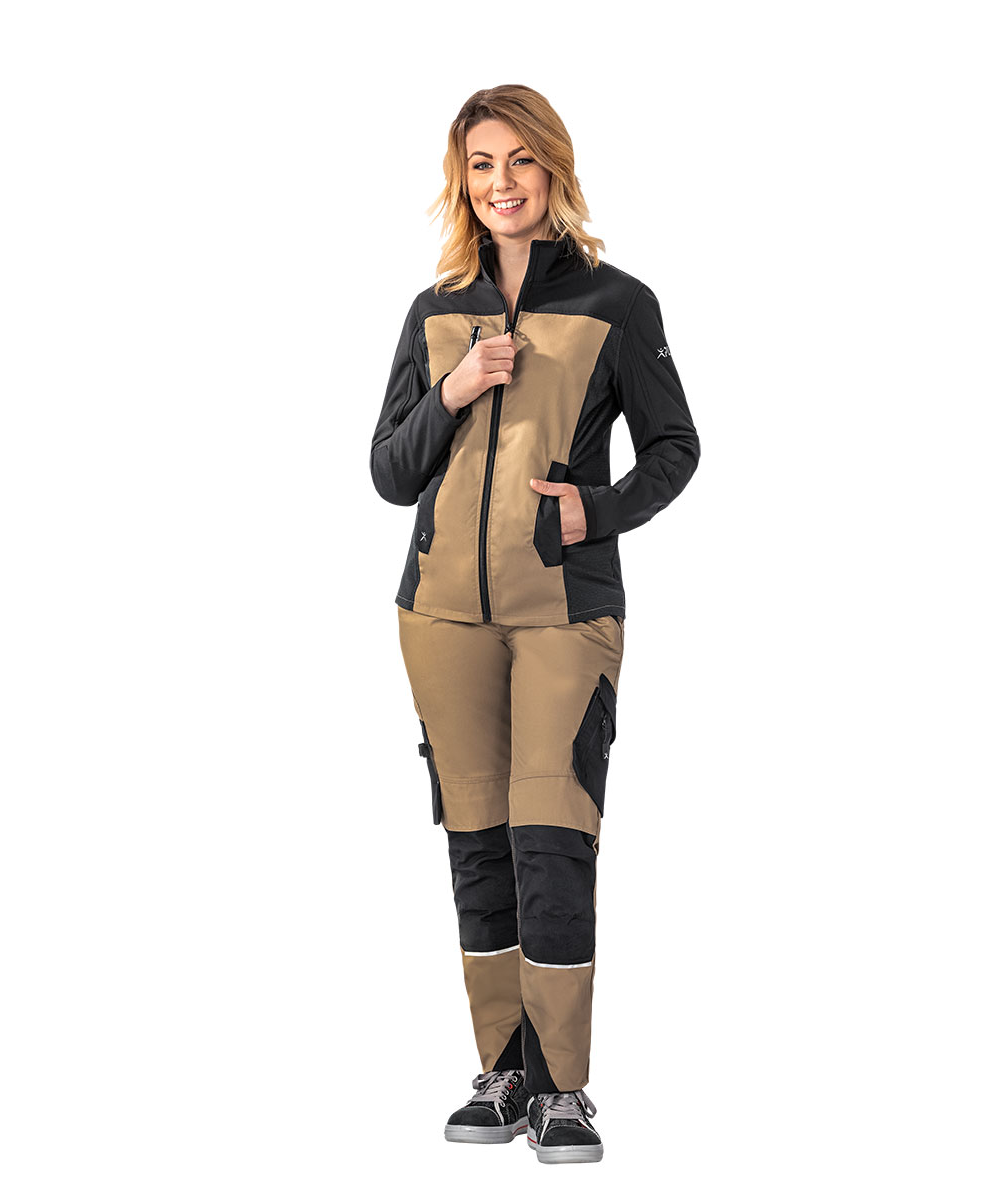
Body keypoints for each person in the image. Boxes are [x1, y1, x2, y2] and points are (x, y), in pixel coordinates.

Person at [369, 84, 700, 1165]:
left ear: (552, 168)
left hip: (564, 609)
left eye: (519, 160)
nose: (500, 183)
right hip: (440, 614)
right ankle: (504, 1073)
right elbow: (388, 472)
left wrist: (596, 509)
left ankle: (564, 1089)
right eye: (480, 164)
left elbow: (675, 448)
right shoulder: (434, 313)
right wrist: (457, 386)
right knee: (476, 841)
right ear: (461, 180)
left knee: (552, 835)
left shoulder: (617, 303)